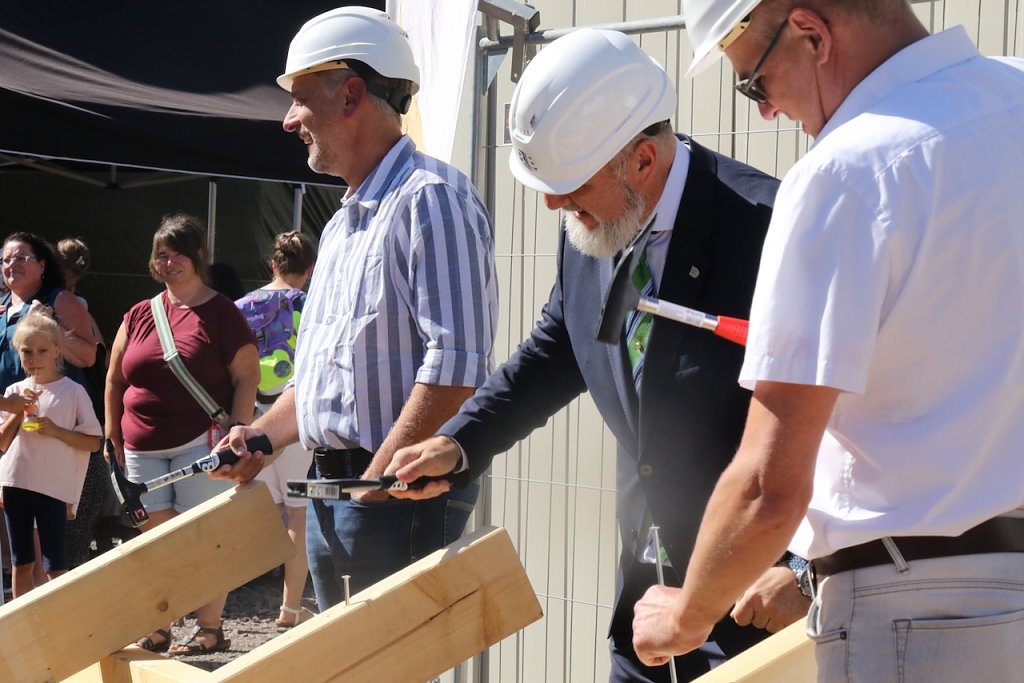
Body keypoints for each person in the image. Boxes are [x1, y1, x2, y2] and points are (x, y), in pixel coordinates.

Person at [387, 29, 799, 682]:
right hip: (645, 611)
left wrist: (805, 567)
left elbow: (848, 419)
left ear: (642, 160)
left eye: (569, 184)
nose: (552, 202)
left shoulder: (772, 230)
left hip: (756, 609)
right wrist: (461, 441)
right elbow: (560, 349)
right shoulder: (593, 225)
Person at [630, 1, 1024, 681]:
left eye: (754, 81)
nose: (765, 110)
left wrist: (686, 615)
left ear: (810, 33)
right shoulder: (1013, 95)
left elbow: (768, 487)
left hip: (913, 615)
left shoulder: (845, 173)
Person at [212, 6, 497, 612]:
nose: (289, 120)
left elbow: (456, 367)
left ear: (351, 95)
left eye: (299, 99)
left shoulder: (431, 199)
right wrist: (260, 436)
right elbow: (321, 380)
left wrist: (379, 481)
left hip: (395, 495)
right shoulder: (344, 222)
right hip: (341, 492)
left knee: (392, 657)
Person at [105, 213, 259, 654]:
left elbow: (246, 375)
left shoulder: (222, 312)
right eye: (161, 255)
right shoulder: (139, 313)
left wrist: (238, 430)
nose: (168, 263)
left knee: (201, 538)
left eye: (177, 255)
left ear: (198, 256)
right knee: (155, 542)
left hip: (200, 441)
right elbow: (115, 377)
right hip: (139, 444)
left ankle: (209, 629)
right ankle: (159, 626)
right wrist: (111, 432)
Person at [236, 230, 317, 631]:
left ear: (273, 264)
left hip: (253, 419)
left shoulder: (240, 307)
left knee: (259, 512)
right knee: (298, 516)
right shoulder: (313, 304)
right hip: (295, 418)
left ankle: (218, 609)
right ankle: (290, 608)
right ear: (311, 269)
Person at [0, 310, 101, 597]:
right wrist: (17, 411)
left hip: (52, 485)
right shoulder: (14, 391)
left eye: (42, 350)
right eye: (26, 351)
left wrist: (55, 430)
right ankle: (22, 617)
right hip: (16, 481)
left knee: (55, 560)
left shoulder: (73, 391)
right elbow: (2, 443)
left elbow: (93, 442)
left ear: (57, 350)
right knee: (21, 560)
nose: (34, 358)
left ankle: (61, 614)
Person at [55, 237, 112, 568]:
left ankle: (67, 566)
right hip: (84, 413)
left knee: (74, 500)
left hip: (74, 414)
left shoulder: (68, 308)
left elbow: (92, 359)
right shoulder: (80, 309)